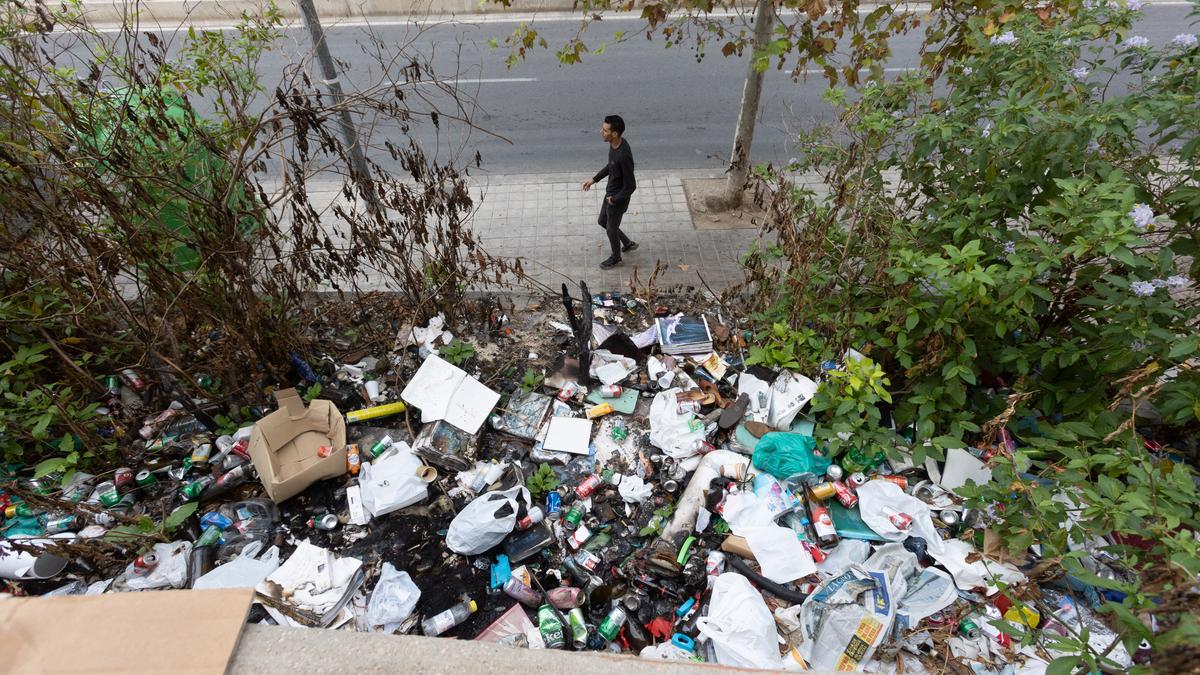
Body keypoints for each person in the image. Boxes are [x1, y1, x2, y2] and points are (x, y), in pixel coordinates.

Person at [582, 115, 638, 269]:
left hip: (616, 199)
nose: (602, 132)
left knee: (611, 229)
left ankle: (616, 257)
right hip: (610, 194)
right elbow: (610, 166)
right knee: (602, 221)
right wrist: (594, 179)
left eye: (605, 130)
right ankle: (627, 243)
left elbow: (631, 185)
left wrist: (615, 199)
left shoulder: (623, 155)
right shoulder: (615, 145)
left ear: (615, 134)